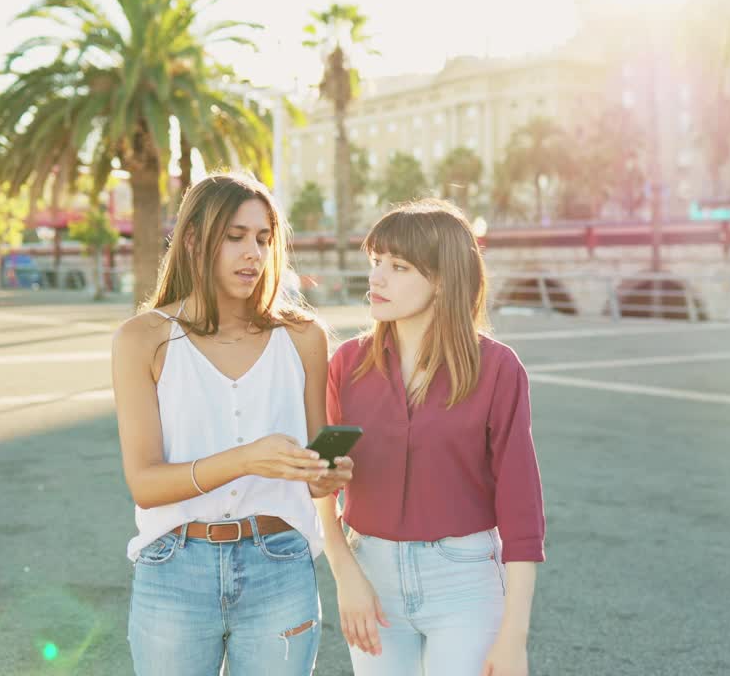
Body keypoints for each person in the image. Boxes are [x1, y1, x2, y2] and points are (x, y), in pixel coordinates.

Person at [110, 173, 353, 676]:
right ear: (195, 238)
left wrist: (325, 474)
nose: (254, 254)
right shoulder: (143, 339)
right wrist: (246, 460)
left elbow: (315, 472)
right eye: (236, 237)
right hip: (173, 568)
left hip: (281, 566)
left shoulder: (304, 337)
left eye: (264, 240)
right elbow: (145, 483)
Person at [319, 199, 545, 676]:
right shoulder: (346, 366)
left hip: (465, 578)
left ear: (443, 281)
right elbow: (320, 480)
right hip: (371, 576)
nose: (376, 278)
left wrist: (514, 637)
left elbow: (521, 508)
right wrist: (345, 575)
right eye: (375, 262)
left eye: (398, 267)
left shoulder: (498, 369)